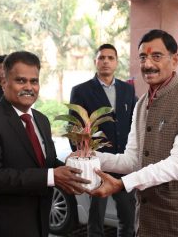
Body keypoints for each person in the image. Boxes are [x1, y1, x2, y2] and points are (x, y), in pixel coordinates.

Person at [89, 29, 178, 237]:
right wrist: (91, 158)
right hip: (148, 221)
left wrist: (123, 183)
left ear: (175, 59)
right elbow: (132, 160)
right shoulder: (141, 104)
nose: (147, 64)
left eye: (156, 56)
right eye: (143, 57)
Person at [0, 51, 90, 237]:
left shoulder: (41, 120)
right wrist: (51, 176)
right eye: (21, 80)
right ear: (4, 82)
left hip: (41, 223)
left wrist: (73, 166)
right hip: (3, 227)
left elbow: (45, 163)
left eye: (34, 81)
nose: (29, 87)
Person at [70, 43, 136, 237]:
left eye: (110, 58)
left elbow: (134, 124)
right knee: (96, 217)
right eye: (102, 58)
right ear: (95, 62)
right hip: (96, 163)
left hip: (124, 163)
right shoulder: (81, 90)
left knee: (128, 217)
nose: (106, 61)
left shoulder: (127, 90)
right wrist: (83, 160)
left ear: (116, 62)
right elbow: (75, 128)